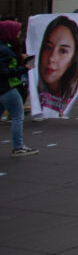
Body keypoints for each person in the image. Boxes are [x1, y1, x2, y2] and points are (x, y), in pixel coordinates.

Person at [36, 15, 78, 115]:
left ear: (73, 58)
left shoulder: (70, 93)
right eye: (48, 47)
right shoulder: (34, 88)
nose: (52, 58)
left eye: (63, 51)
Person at [0, 21, 36, 156]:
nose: (19, 33)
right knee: (17, 116)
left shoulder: (5, 47)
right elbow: (3, 71)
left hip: (4, 87)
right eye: (17, 31)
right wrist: (23, 69)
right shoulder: (4, 50)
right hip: (7, 87)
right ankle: (18, 147)